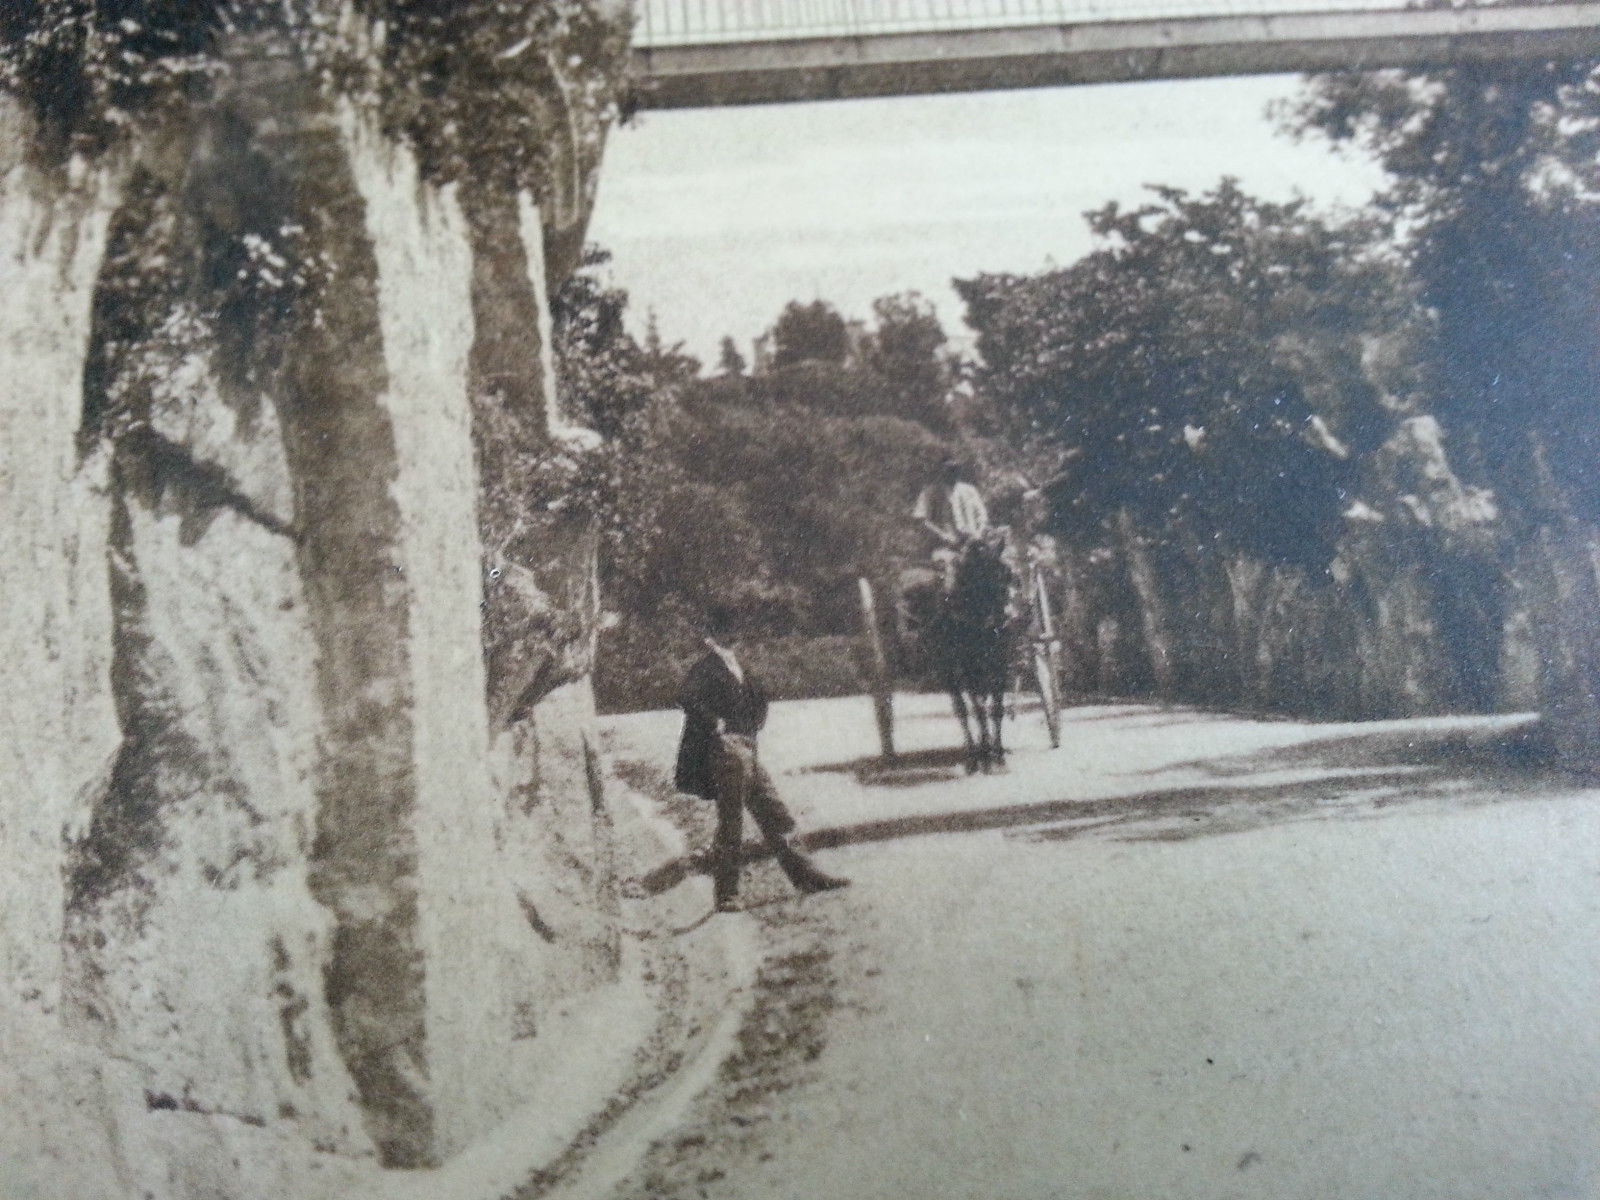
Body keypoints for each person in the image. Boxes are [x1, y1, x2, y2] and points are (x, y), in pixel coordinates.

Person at [673, 606, 849, 912]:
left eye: (736, 630)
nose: (735, 636)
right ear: (712, 636)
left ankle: (807, 876)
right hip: (726, 752)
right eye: (727, 630)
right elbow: (686, 697)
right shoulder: (706, 667)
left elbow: (759, 697)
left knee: (776, 813)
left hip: (749, 748)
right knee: (732, 823)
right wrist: (714, 723)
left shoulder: (737, 664)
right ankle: (727, 894)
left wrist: (756, 723)